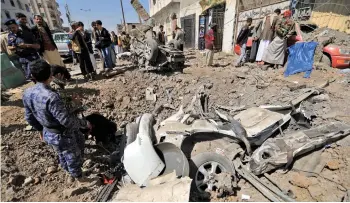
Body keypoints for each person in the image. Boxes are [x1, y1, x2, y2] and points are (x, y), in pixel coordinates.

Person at [23, 60, 93, 183]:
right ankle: (79, 178)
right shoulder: (51, 96)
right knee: (72, 156)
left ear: (33, 76)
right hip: (62, 134)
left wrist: (40, 130)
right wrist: (84, 123)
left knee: (62, 154)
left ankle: (69, 172)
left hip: (48, 132)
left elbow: (29, 117)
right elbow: (66, 121)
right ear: (50, 74)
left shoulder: (27, 93)